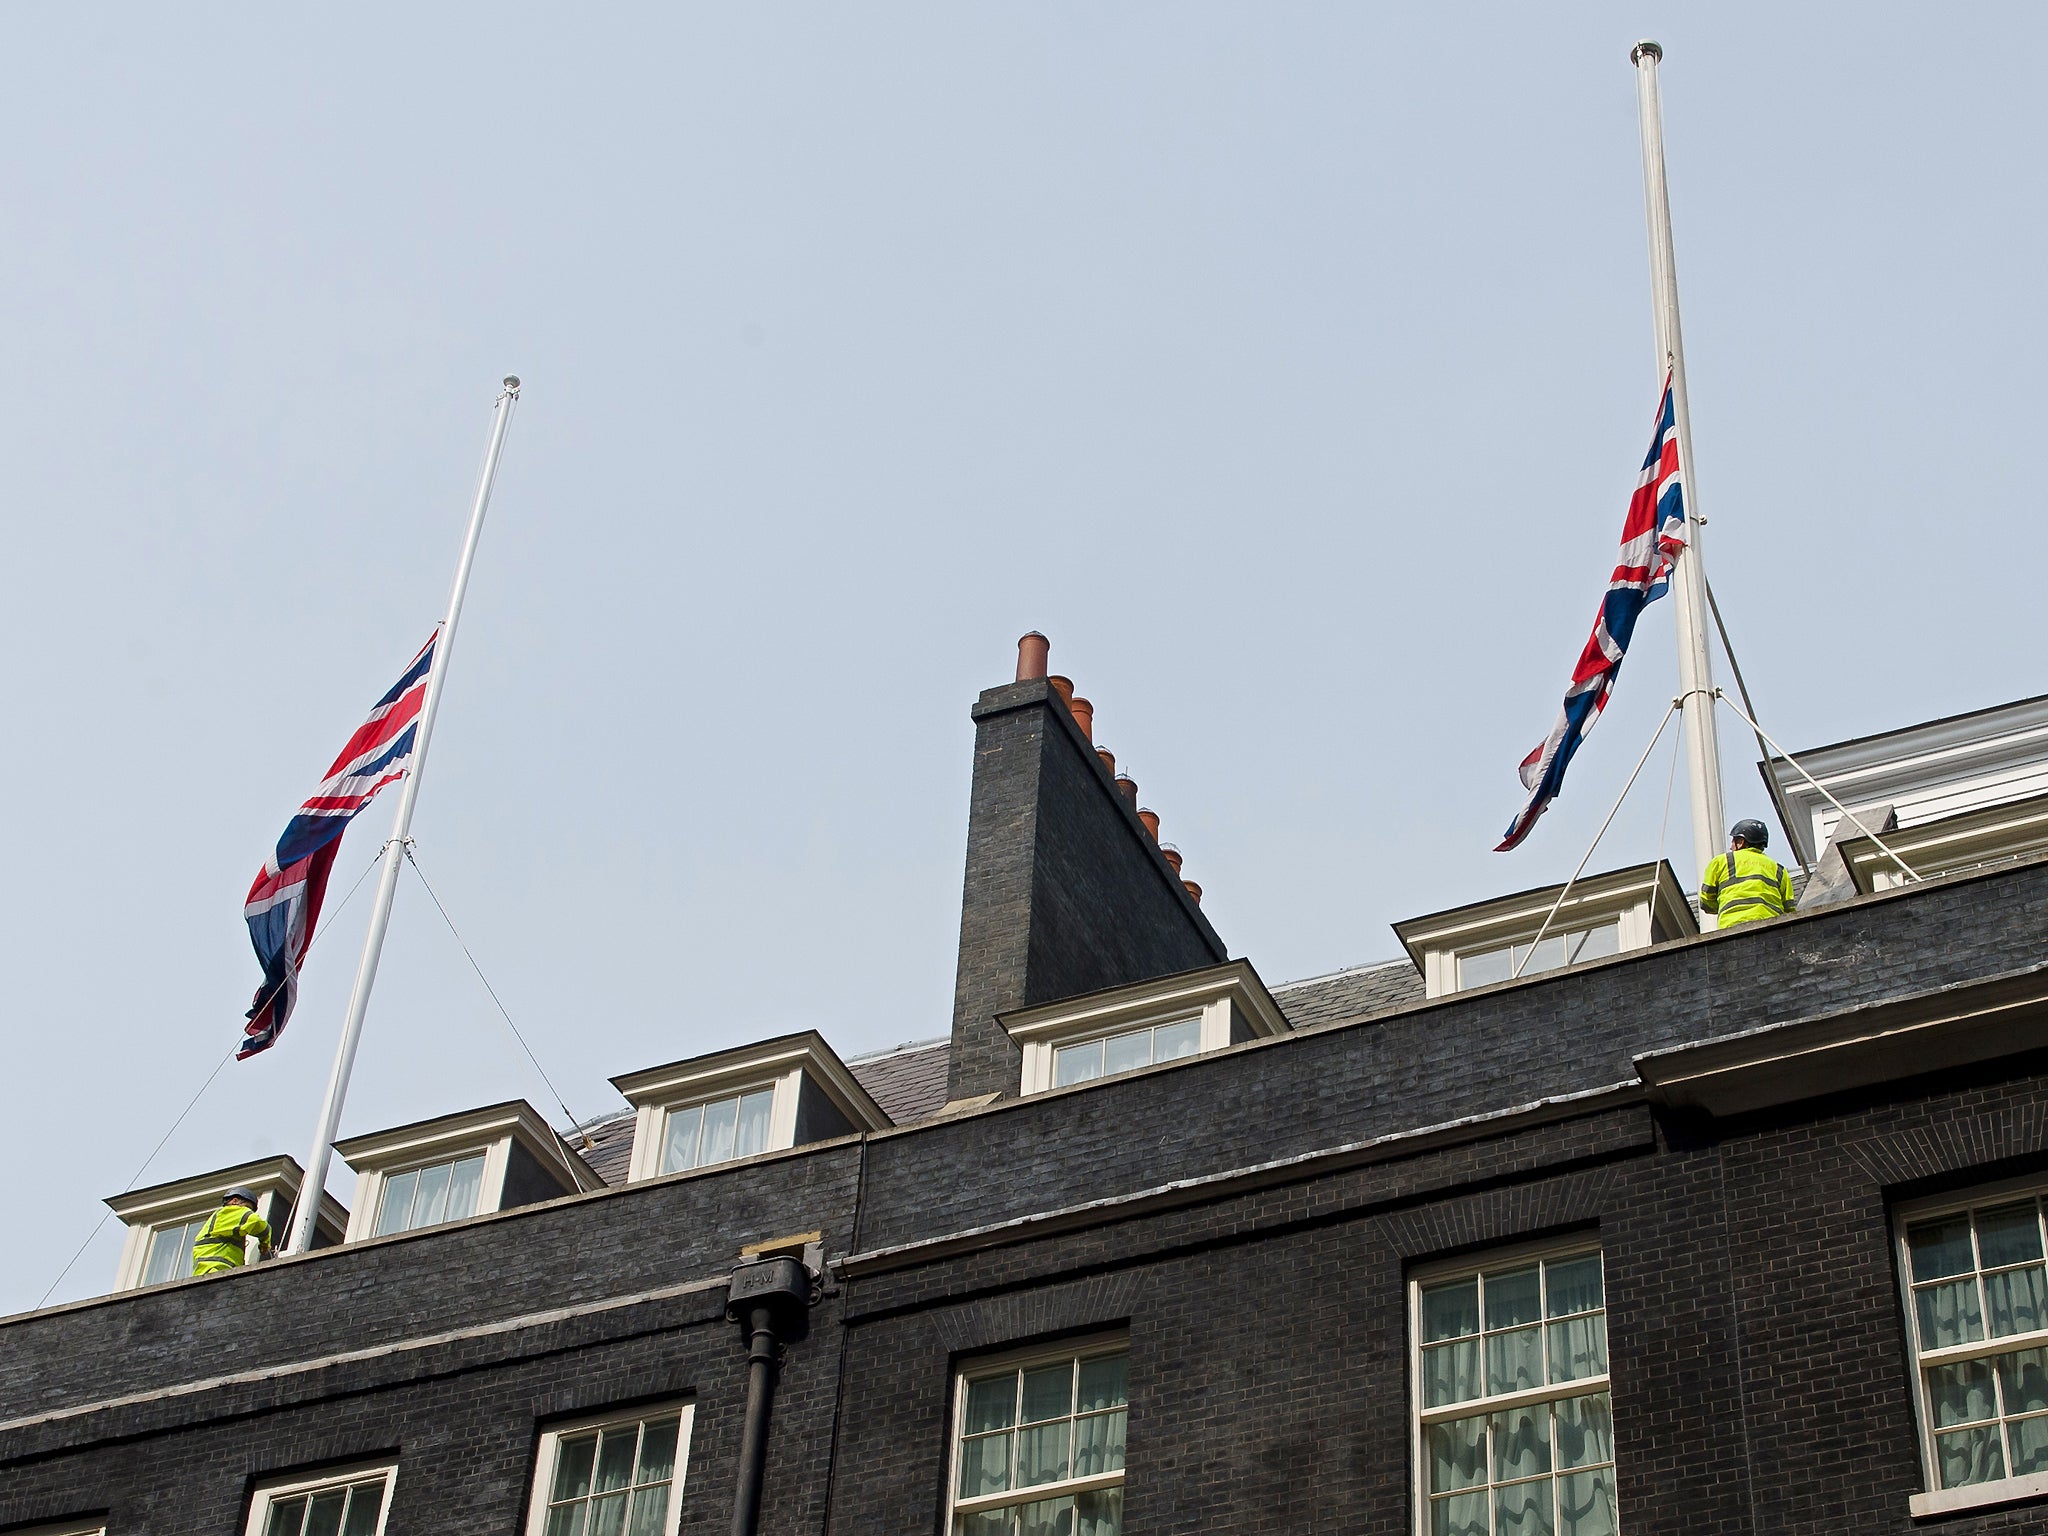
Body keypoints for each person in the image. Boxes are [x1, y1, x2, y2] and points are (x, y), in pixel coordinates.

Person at [1700, 818, 1797, 929]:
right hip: (1772, 929)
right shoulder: (1779, 870)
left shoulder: (1722, 861)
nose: (1731, 846)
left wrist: (1723, 905)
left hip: (1732, 927)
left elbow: (1706, 898)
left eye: (1733, 841)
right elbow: (1789, 910)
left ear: (1740, 842)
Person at [191, 1187, 276, 1276]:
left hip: (205, 1272)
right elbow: (257, 1223)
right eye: (247, 1207)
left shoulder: (220, 1219)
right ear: (234, 1201)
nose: (248, 1211)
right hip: (217, 1270)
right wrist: (265, 1243)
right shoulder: (230, 1212)